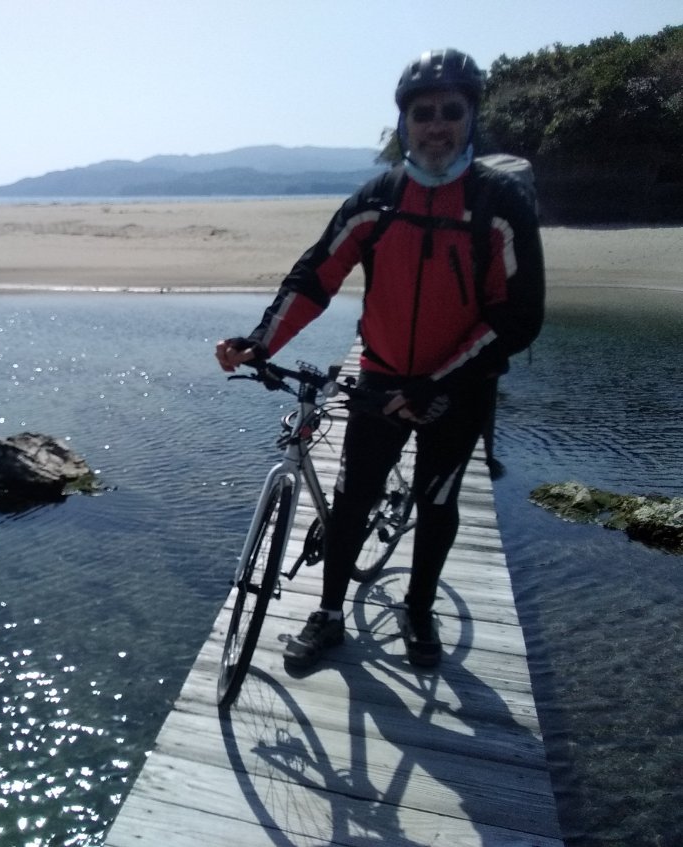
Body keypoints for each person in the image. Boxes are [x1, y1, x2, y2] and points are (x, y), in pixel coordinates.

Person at [215, 48, 544, 669]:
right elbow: (316, 276)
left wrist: (436, 382)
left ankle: (419, 610)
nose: (437, 123)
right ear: (404, 124)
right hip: (379, 382)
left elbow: (518, 317)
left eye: (452, 110)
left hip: (459, 390)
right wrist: (262, 342)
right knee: (351, 501)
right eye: (424, 113)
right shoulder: (379, 198)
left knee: (437, 502)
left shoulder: (500, 204)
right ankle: (330, 614)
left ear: (472, 117)